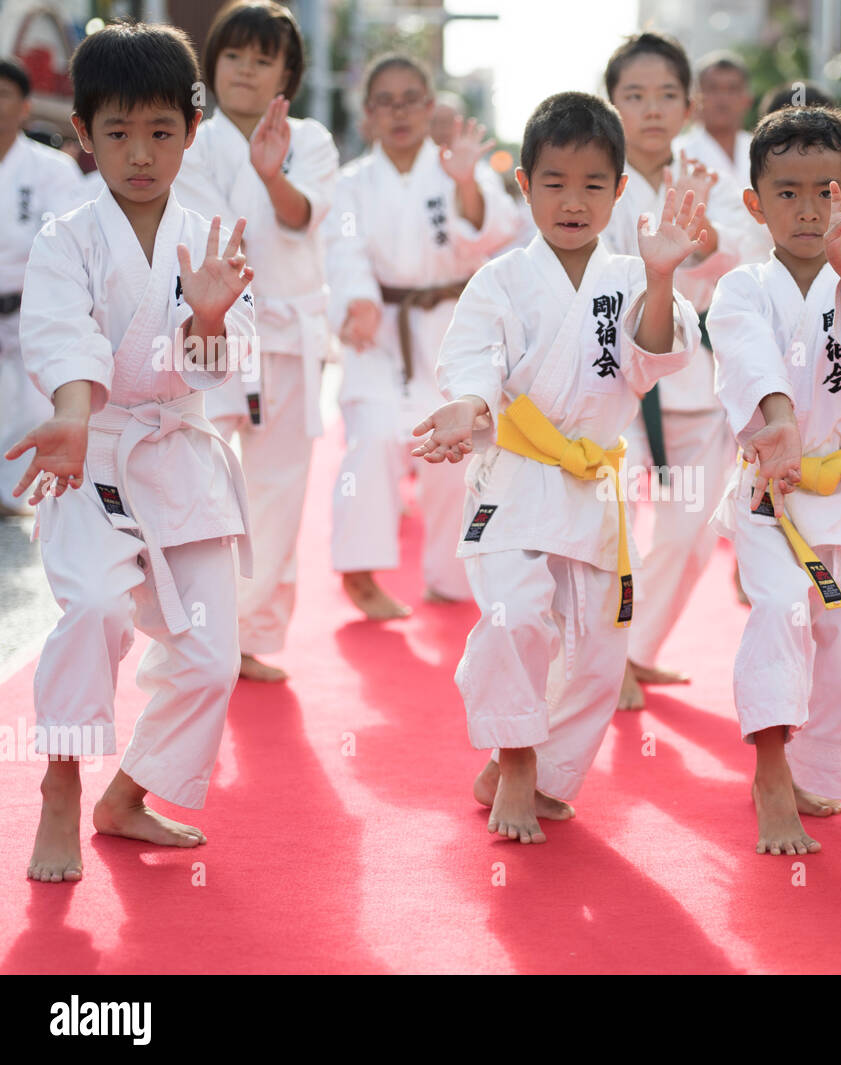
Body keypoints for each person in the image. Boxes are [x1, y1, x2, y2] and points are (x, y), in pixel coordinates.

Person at [412, 91, 705, 842]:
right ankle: (514, 766)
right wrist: (470, 407)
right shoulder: (502, 280)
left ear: (619, 190)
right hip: (514, 475)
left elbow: (657, 357)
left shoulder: (634, 275)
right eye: (555, 182)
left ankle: (538, 769)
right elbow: (473, 356)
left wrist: (666, 276)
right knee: (514, 616)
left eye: (592, 185)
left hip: (594, 482)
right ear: (526, 185)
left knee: (601, 656)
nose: (573, 202)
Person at [7, 20, 256, 882]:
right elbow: (62, 336)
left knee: (215, 659)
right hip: (93, 454)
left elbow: (229, 364)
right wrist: (73, 416)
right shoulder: (67, 238)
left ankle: (130, 791)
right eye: (117, 132)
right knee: (98, 615)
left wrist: (213, 319)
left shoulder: (214, 235)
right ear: (83, 132)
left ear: (192, 129)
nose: (140, 153)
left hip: (180, 455)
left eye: (160, 131)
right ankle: (65, 784)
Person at [708, 105, 841, 854]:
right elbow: (748, 357)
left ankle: (813, 763)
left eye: (824, 190)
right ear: (755, 202)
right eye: (785, 192)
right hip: (774, 491)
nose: (806, 209)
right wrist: (779, 421)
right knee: (784, 611)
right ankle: (768, 769)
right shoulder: (740, 288)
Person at [173, 0, 339, 683]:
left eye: (262, 58)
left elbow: (303, 217)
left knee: (277, 491)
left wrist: (273, 174)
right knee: (197, 484)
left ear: (287, 74)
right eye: (233, 55)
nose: (245, 70)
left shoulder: (314, 140)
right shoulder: (188, 138)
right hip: (214, 329)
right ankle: (194, 633)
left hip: (288, 333)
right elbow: (209, 234)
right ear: (211, 66)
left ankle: (250, 633)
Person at [326, 53, 518, 619]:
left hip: (453, 327)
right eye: (385, 101)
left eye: (411, 99)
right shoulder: (353, 183)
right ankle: (359, 572)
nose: (400, 111)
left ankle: (451, 575)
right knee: (375, 439)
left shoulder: (457, 165)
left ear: (429, 106)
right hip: (381, 331)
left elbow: (499, 228)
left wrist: (465, 187)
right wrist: (357, 299)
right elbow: (342, 247)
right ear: (368, 115)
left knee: (454, 453)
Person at [601, 32, 750, 709]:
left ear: (687, 105)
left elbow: (749, 246)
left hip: (696, 376)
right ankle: (610, 658)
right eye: (635, 95)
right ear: (612, 101)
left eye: (666, 95)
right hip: (615, 378)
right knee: (617, 527)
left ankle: (636, 647)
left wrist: (704, 235)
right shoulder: (593, 167)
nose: (651, 109)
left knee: (689, 534)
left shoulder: (709, 169)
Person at [0, 55, 89, 515]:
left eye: (2, 95)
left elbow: (67, 245)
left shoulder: (52, 170)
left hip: (30, 315)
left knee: (34, 418)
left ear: (25, 107)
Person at [677, 50, 753, 188]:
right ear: (696, 98)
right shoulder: (678, 154)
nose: (722, 99)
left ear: (747, 99)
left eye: (732, 89)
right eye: (712, 88)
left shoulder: (763, 151)